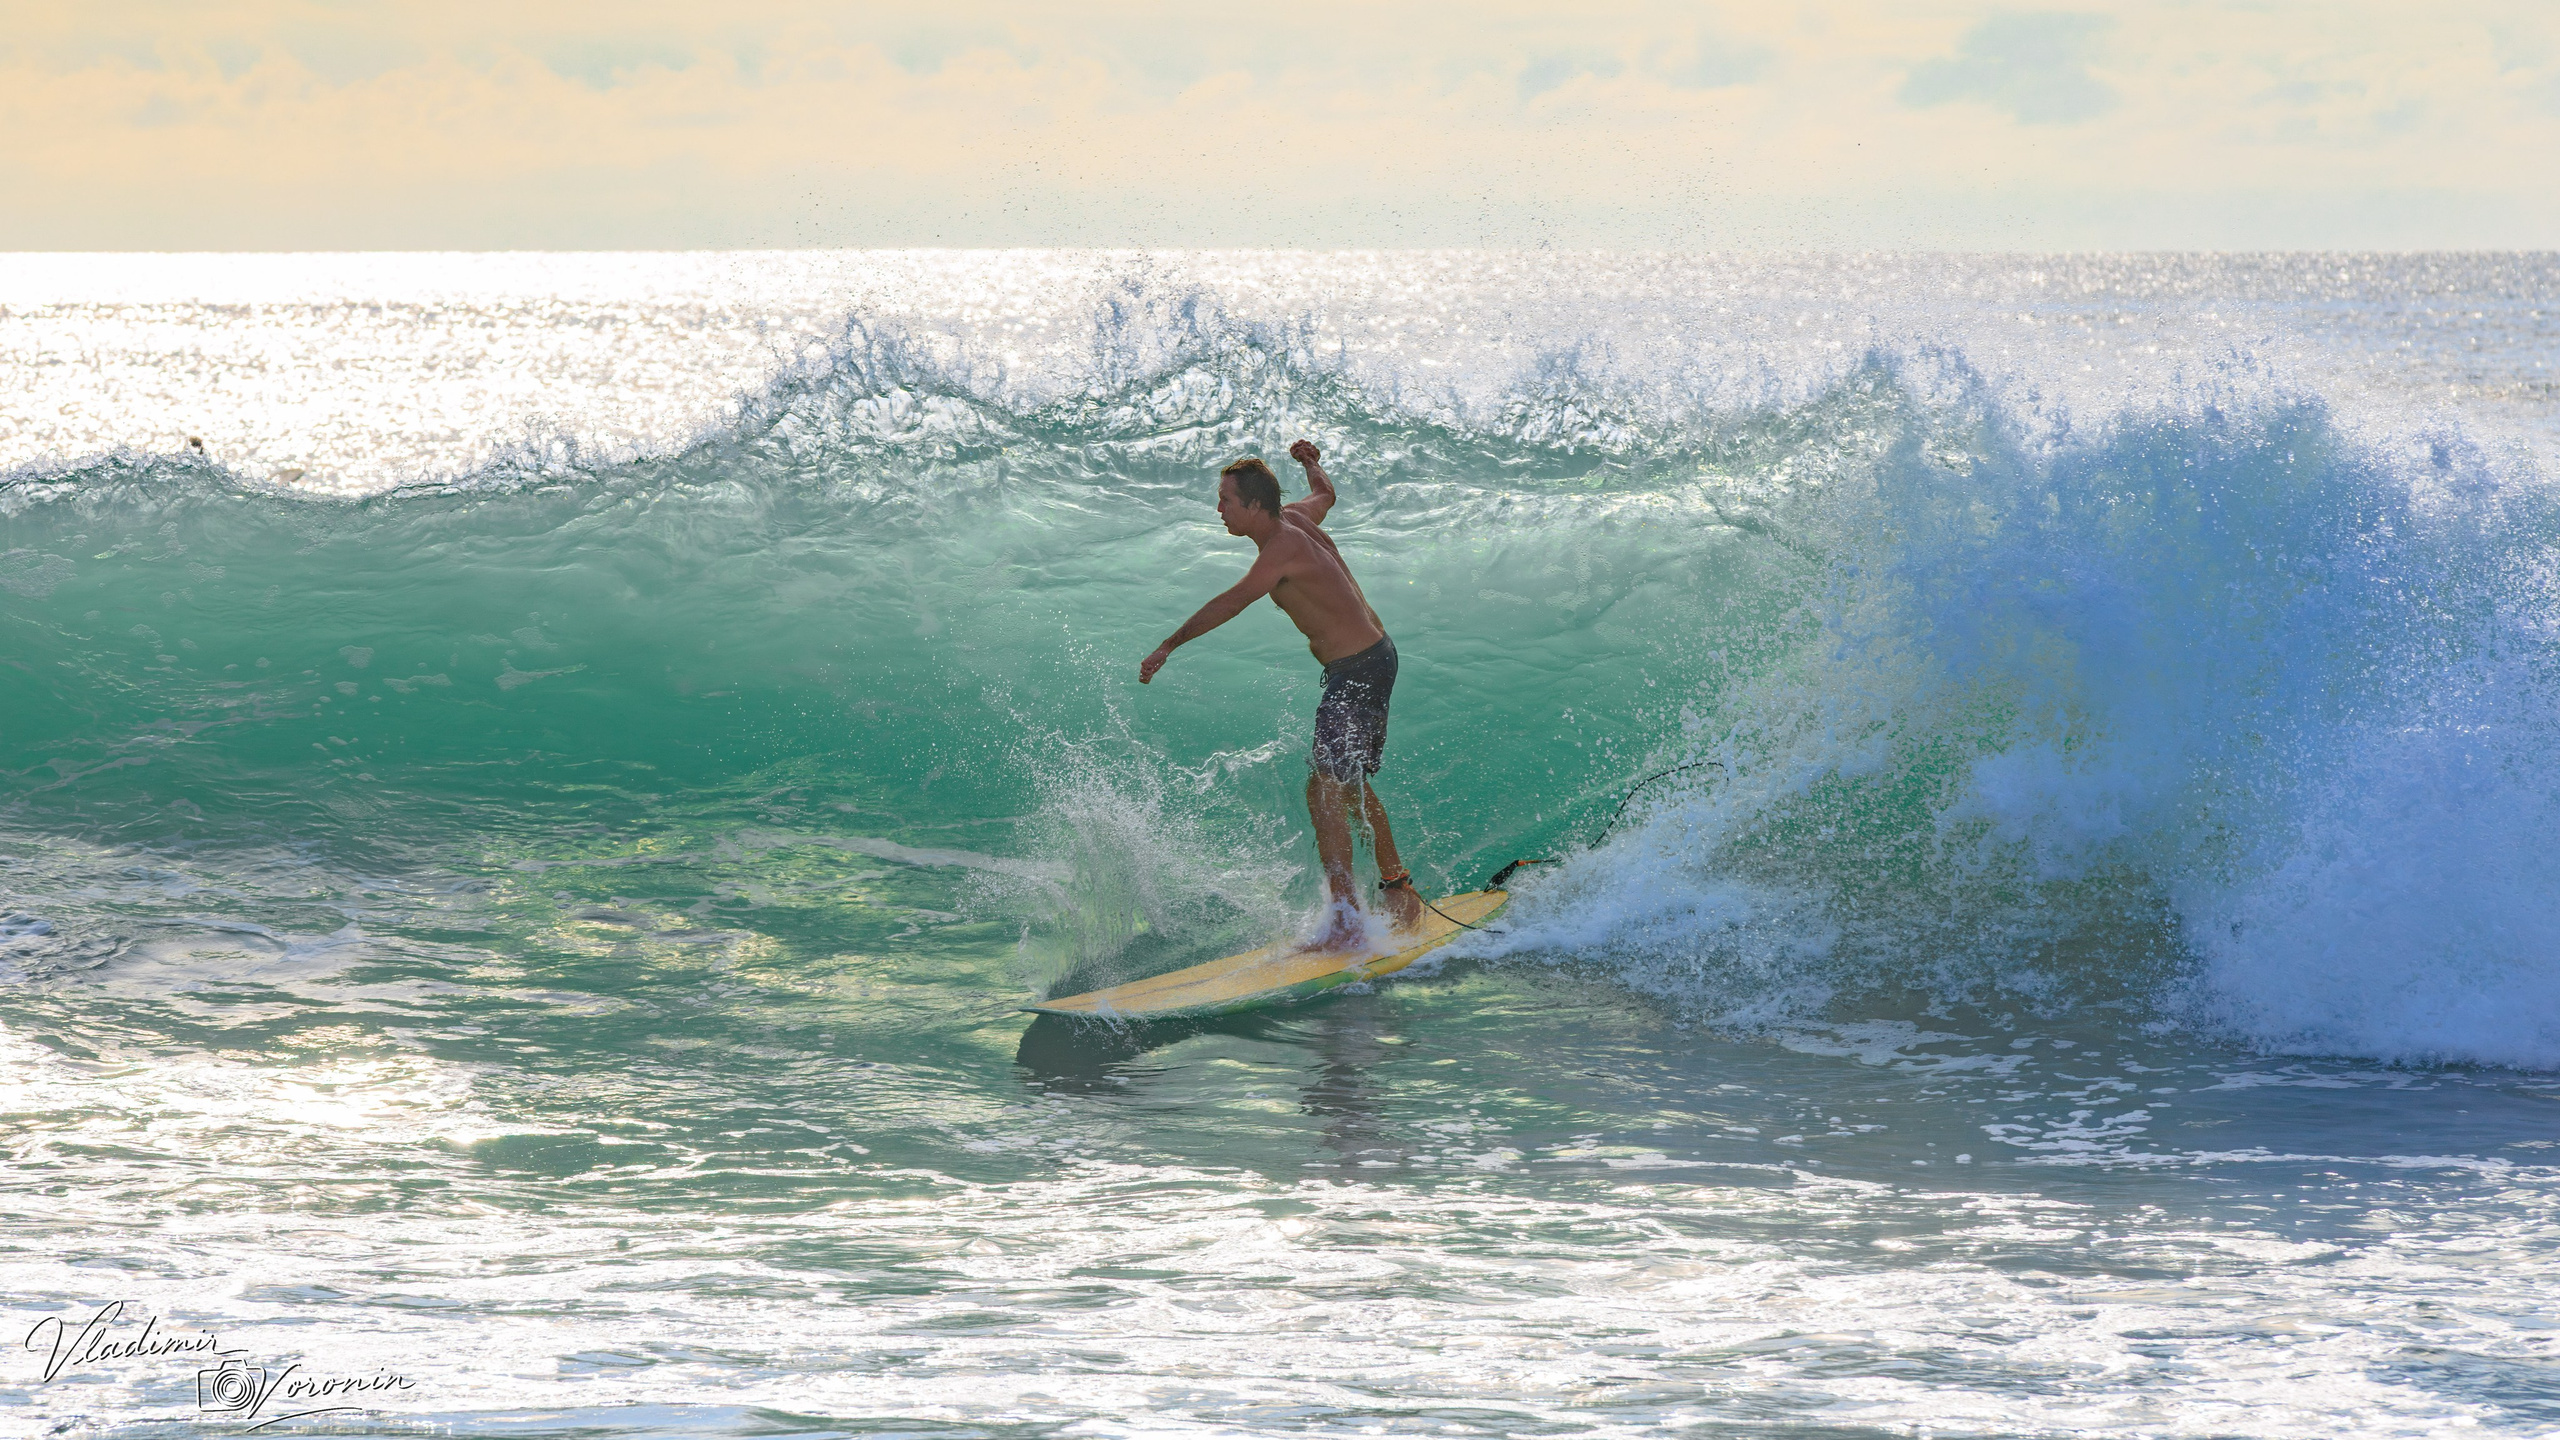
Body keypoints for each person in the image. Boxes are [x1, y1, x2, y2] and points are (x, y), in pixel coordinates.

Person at [1139, 439, 1424, 946]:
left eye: (1226, 500)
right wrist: (1311, 463)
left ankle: (1346, 917)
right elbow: (1326, 494)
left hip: (1358, 670)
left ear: (1254, 505)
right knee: (1346, 784)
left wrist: (1168, 645)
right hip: (1374, 659)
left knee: (1324, 787)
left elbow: (1231, 602)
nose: (1219, 509)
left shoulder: (1280, 549)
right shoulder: (1297, 517)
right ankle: (1399, 889)